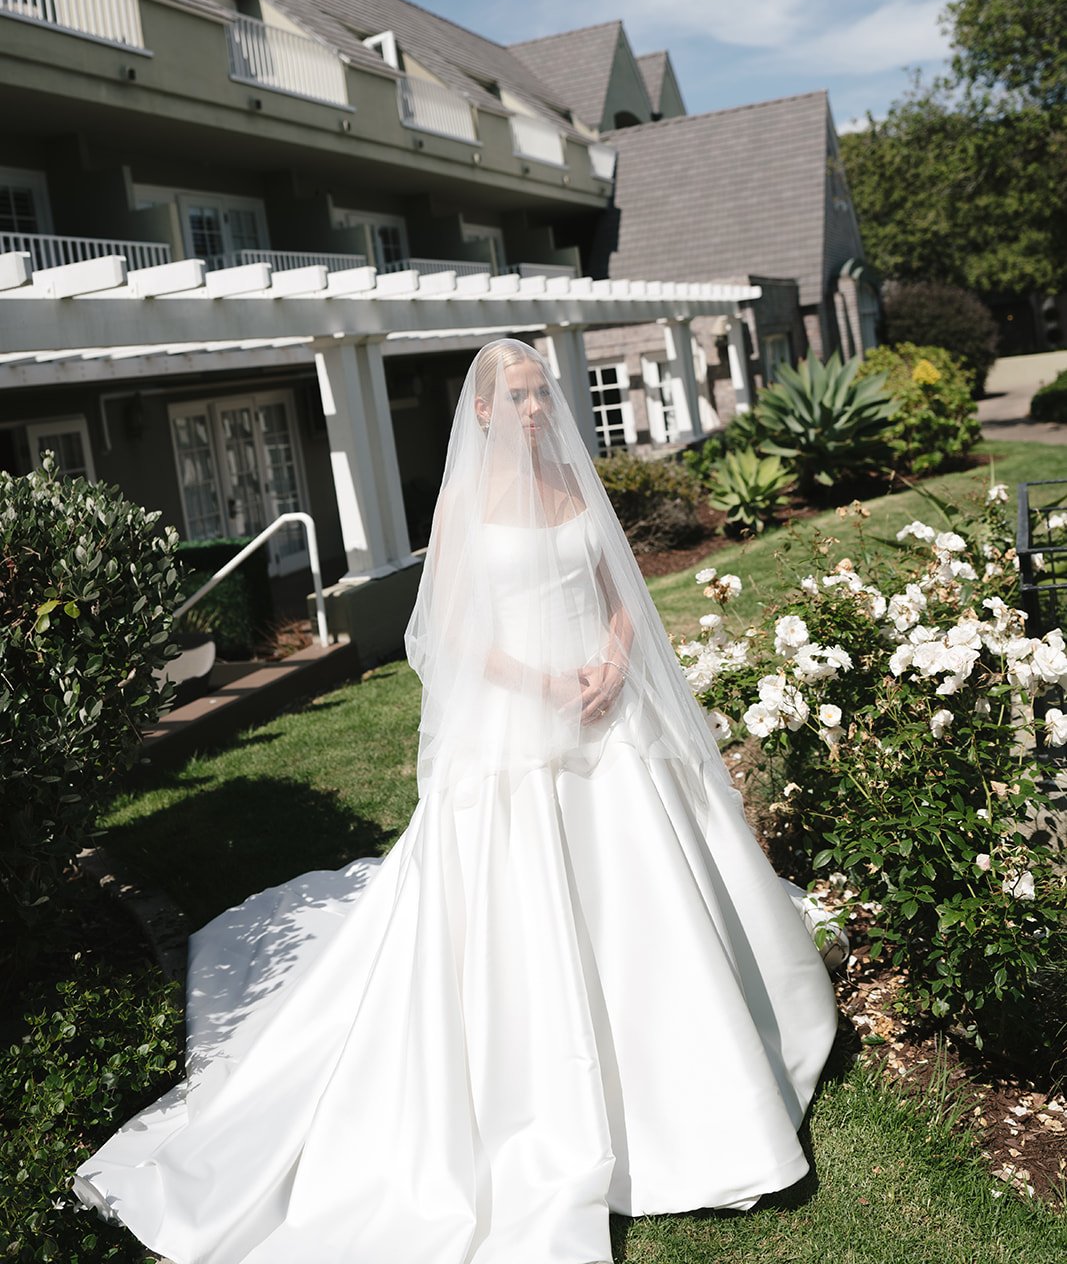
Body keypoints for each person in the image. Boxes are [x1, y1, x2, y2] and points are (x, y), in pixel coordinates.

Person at [74, 337, 839, 1264]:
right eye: (514, 398)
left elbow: (618, 588)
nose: (530, 411)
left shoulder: (571, 478)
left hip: (610, 715)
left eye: (538, 394)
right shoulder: (468, 503)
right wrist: (547, 685)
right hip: (519, 726)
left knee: (651, 892)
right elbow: (449, 632)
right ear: (480, 412)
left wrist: (612, 657)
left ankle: (699, 1064)